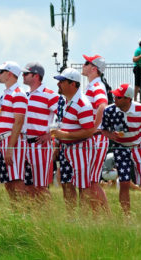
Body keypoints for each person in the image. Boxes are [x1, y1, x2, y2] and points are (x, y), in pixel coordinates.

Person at [101, 83, 141, 215]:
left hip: (140, 145)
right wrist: (111, 135)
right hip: (120, 147)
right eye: (115, 96)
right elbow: (103, 130)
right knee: (124, 182)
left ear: (128, 99)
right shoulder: (109, 111)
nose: (115, 99)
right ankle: (126, 217)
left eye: (118, 97)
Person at [51, 68, 95, 211]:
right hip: (66, 148)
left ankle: (83, 219)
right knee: (66, 183)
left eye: (61, 81)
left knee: (83, 186)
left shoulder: (83, 104)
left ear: (72, 84)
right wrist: (58, 145)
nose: (58, 84)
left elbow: (89, 131)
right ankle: (71, 217)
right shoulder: (65, 101)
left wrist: (65, 136)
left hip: (80, 149)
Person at [0, 61, 29, 201]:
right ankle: (17, 212)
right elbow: (2, 124)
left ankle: (22, 213)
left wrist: (10, 147)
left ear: (9, 74)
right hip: (5, 139)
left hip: (13, 141)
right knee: (8, 182)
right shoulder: (5, 95)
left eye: (1, 72)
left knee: (16, 180)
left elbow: (19, 121)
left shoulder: (18, 93)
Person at [22, 62, 59, 199]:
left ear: (36, 76)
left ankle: (46, 215)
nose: (23, 76)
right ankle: (35, 215)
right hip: (25, 144)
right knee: (27, 185)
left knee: (41, 186)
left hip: (40, 145)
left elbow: (64, 117)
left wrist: (51, 134)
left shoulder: (49, 95)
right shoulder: (24, 95)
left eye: (26, 73)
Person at [82, 54, 111, 213]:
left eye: (86, 63)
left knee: (92, 181)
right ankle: (98, 217)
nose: (83, 65)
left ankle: (107, 216)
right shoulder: (93, 86)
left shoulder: (96, 86)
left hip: (96, 138)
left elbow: (102, 106)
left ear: (94, 68)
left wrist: (92, 128)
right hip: (94, 137)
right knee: (90, 181)